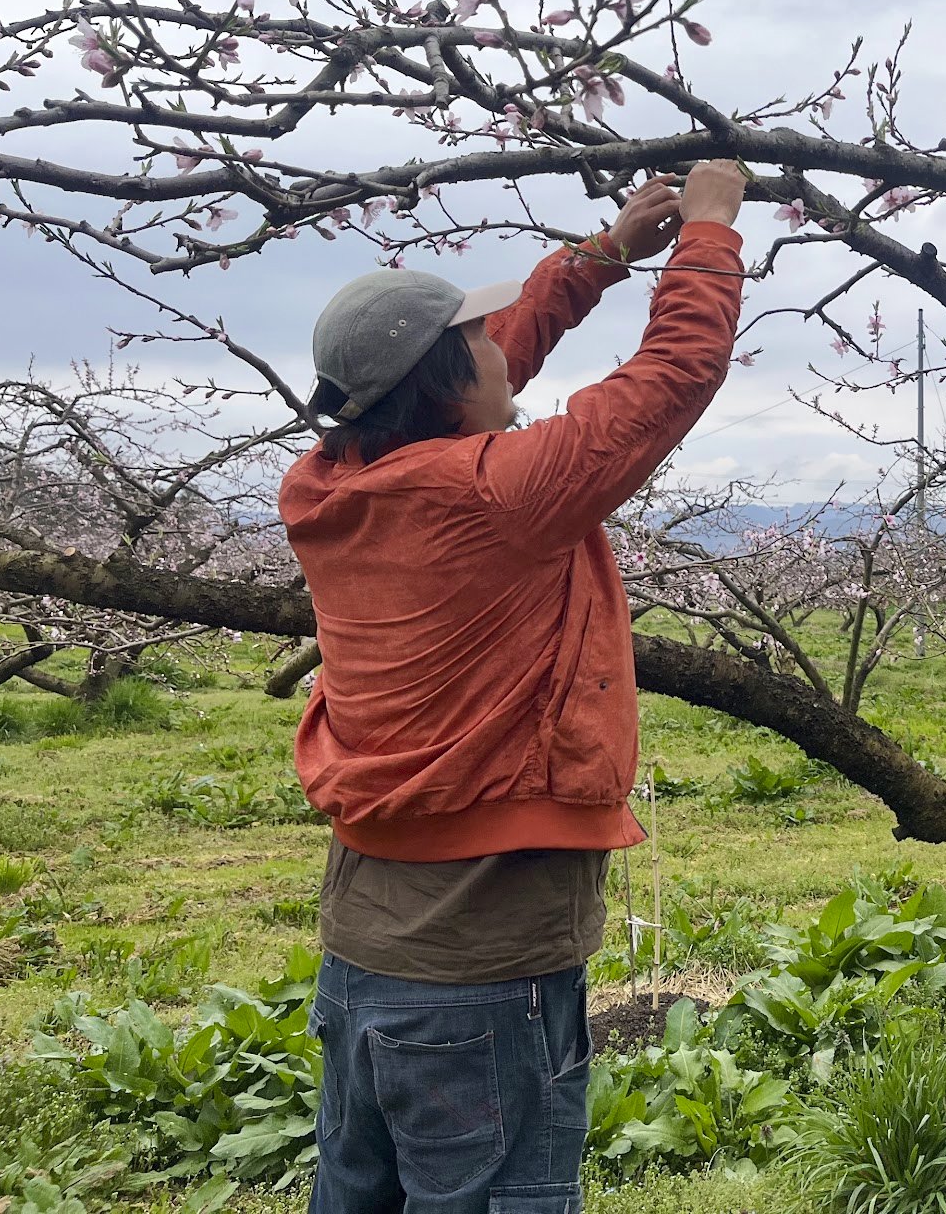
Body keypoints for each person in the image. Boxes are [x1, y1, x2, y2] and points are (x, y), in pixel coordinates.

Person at [281, 158, 748, 1213]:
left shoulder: (326, 482)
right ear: (449, 388)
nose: (507, 355)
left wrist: (600, 259)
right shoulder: (493, 496)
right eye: (483, 347)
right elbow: (668, 381)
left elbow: (461, 379)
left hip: (366, 941)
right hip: (480, 954)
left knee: (361, 1193)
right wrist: (709, 237)